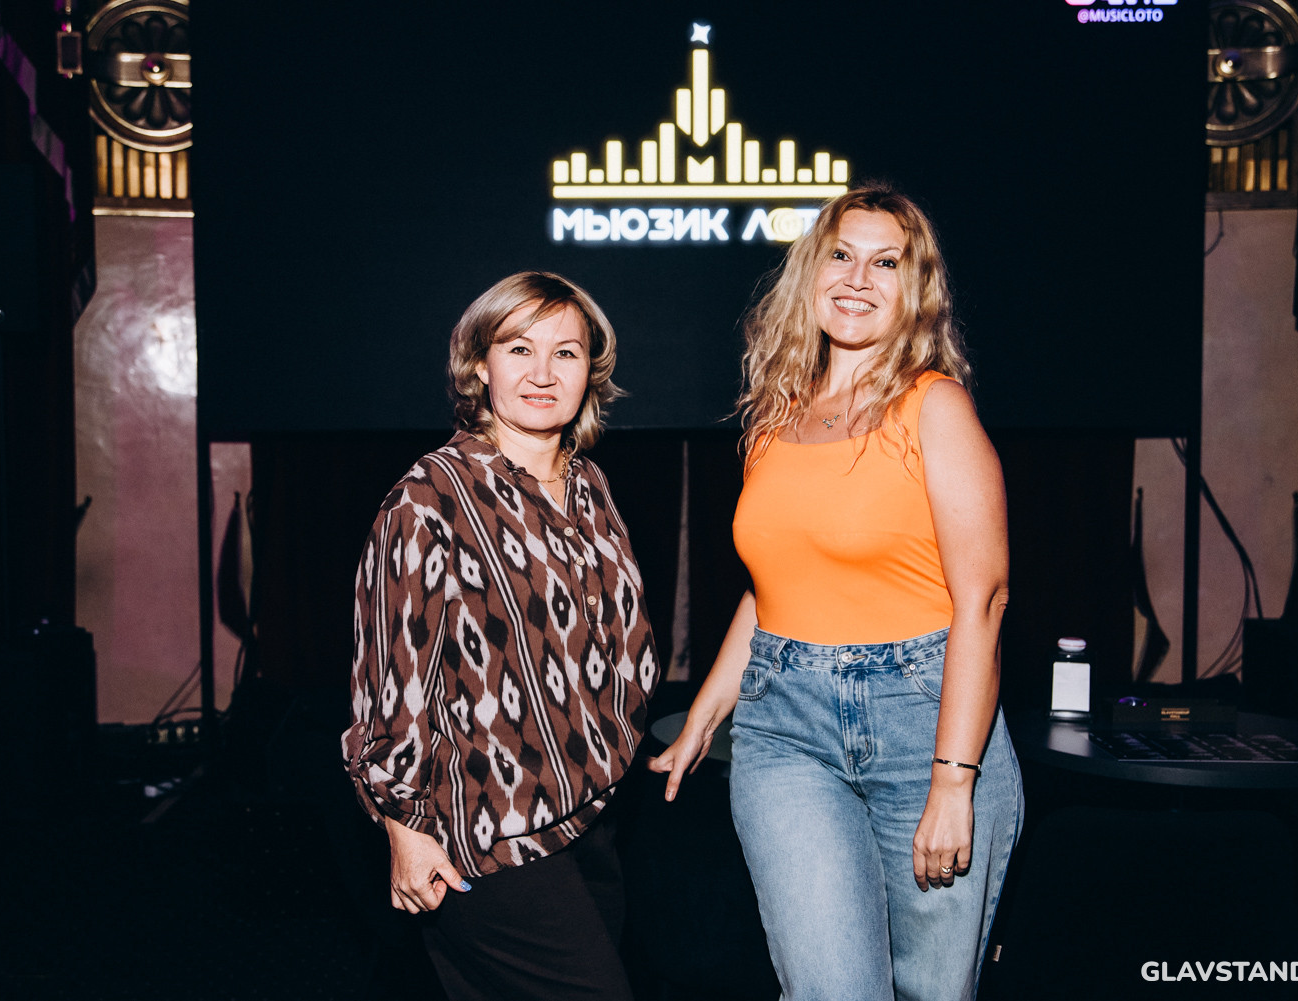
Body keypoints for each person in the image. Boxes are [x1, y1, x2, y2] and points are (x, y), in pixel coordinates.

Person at [651, 184, 1023, 1001]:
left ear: (914, 288)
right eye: (841, 255)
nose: (858, 278)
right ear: (810, 273)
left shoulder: (935, 407)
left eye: (885, 263)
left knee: (931, 992)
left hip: (925, 716)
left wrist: (952, 781)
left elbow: (984, 601)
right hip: (785, 725)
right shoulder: (774, 416)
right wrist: (707, 712)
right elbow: (774, 585)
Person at [343, 271, 659, 1001]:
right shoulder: (430, 497)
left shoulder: (589, 486)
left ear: (590, 370)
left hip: (591, 817)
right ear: (480, 366)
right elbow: (392, 680)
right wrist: (403, 825)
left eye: (566, 352)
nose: (543, 373)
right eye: (519, 349)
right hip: (485, 832)